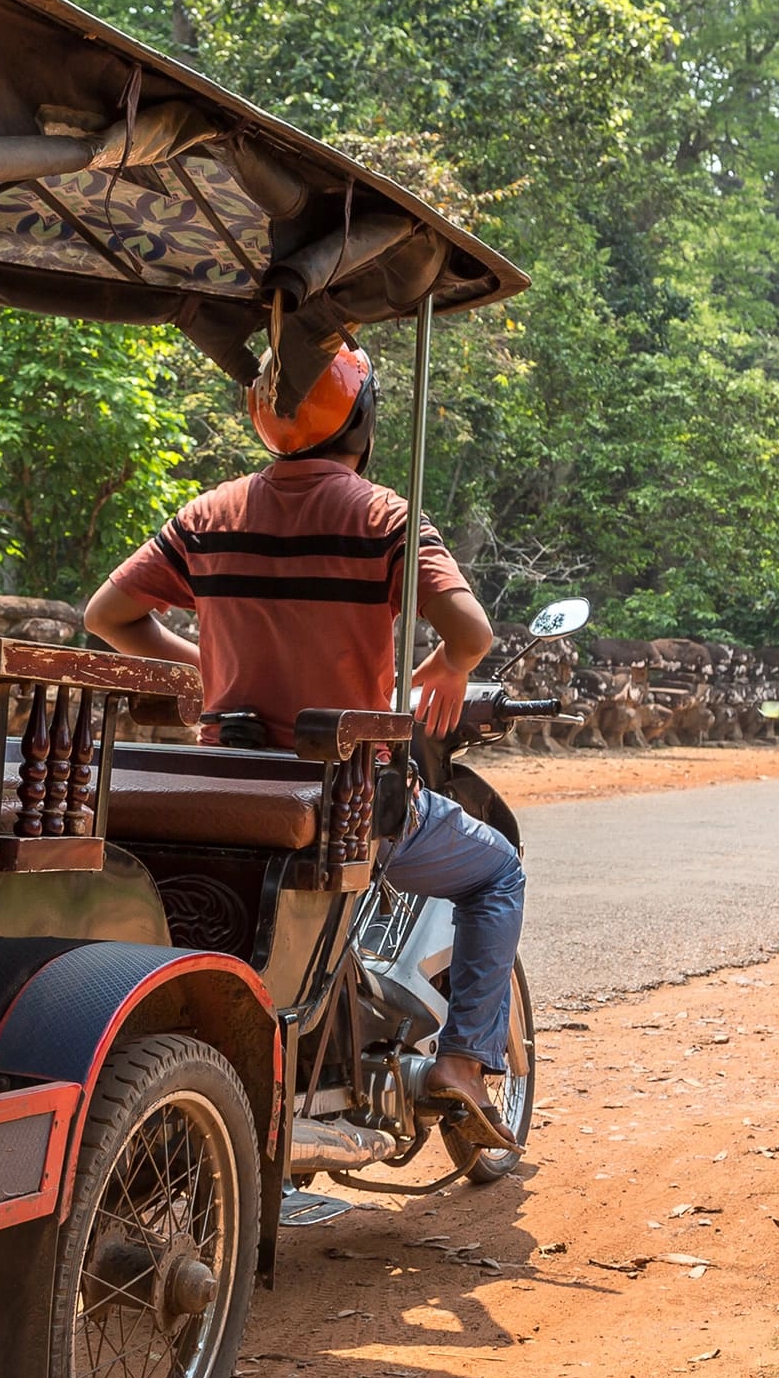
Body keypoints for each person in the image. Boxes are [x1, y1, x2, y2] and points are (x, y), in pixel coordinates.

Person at [82, 344, 528, 1150]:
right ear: (362, 420)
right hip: (345, 801)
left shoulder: (209, 515)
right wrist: (443, 672)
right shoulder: (384, 517)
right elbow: (472, 631)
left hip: (225, 792)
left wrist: (204, 667)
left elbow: (106, 615)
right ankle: (463, 1061)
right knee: (498, 870)